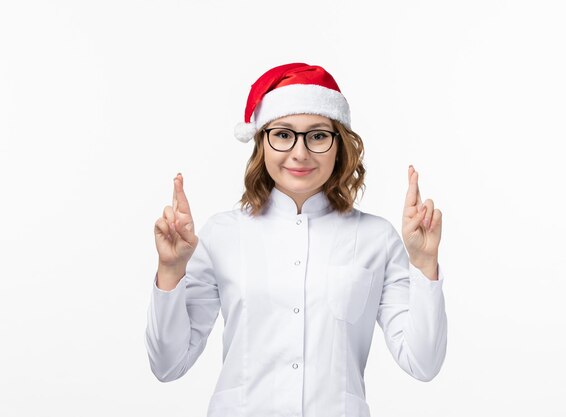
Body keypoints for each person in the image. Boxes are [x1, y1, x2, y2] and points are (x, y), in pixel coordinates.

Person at [145, 63, 447, 417]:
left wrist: (424, 264)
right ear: (262, 143)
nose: (300, 153)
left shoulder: (376, 239)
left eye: (318, 135)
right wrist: (170, 270)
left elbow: (422, 362)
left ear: (339, 146)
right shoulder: (222, 234)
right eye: (284, 134)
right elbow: (168, 364)